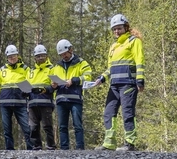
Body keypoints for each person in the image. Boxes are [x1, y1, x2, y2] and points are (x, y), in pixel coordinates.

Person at [92, 13, 145, 151]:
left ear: (126, 27)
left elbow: (139, 61)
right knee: (109, 112)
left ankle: (129, 143)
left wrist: (140, 80)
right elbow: (110, 68)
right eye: (114, 29)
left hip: (128, 83)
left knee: (127, 112)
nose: (116, 31)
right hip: (114, 85)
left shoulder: (134, 41)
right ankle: (109, 143)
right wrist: (101, 78)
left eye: (119, 28)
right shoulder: (113, 46)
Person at [51, 39, 92, 150]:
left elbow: (88, 77)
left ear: (71, 49)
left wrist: (74, 80)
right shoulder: (57, 66)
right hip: (61, 99)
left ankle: (80, 148)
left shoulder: (81, 62)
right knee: (62, 126)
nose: (64, 56)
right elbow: (52, 81)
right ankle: (64, 149)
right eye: (61, 55)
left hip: (75, 99)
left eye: (65, 53)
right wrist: (53, 85)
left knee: (77, 125)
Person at [0, 45, 32, 150]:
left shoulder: (25, 69)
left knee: (27, 127)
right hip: (5, 103)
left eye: (14, 56)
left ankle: (31, 148)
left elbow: (30, 83)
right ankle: (9, 149)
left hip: (21, 102)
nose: (12, 58)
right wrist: (2, 95)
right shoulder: (2, 70)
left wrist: (26, 93)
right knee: (7, 128)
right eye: (10, 57)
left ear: (17, 56)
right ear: (7, 58)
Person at [27, 44, 56, 150]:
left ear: (47, 56)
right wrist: (25, 92)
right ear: (35, 58)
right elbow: (27, 85)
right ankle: (36, 145)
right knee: (33, 127)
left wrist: (48, 89)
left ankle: (51, 145)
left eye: (43, 56)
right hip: (32, 103)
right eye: (38, 56)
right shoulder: (31, 71)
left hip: (45, 102)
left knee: (47, 126)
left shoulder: (51, 69)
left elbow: (55, 85)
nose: (41, 58)